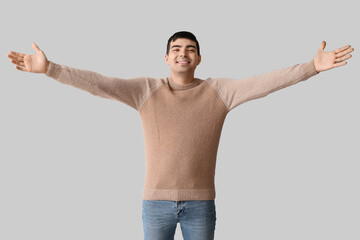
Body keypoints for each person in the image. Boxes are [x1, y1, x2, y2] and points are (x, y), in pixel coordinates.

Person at [7, 31, 354, 240]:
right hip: (154, 204)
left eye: (189, 49)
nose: (183, 53)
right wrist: (50, 69)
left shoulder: (220, 91)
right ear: (166, 57)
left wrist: (311, 68)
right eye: (176, 48)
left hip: (200, 205)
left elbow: (265, 82)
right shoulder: (146, 90)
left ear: (199, 58)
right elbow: (99, 83)